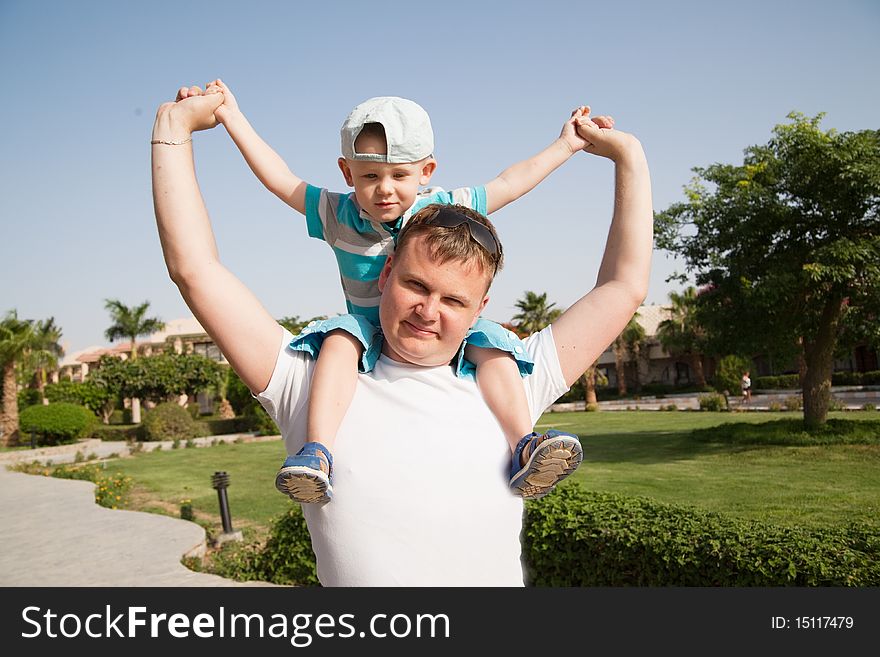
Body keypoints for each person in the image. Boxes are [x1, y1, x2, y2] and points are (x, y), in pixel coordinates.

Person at [151, 85, 652, 585]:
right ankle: (316, 454)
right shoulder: (314, 379)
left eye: (454, 300)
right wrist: (173, 133)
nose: (428, 312)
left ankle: (525, 448)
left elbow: (622, 287)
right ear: (386, 270)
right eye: (415, 284)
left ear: (481, 308)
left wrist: (628, 155)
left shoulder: (510, 376)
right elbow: (195, 269)